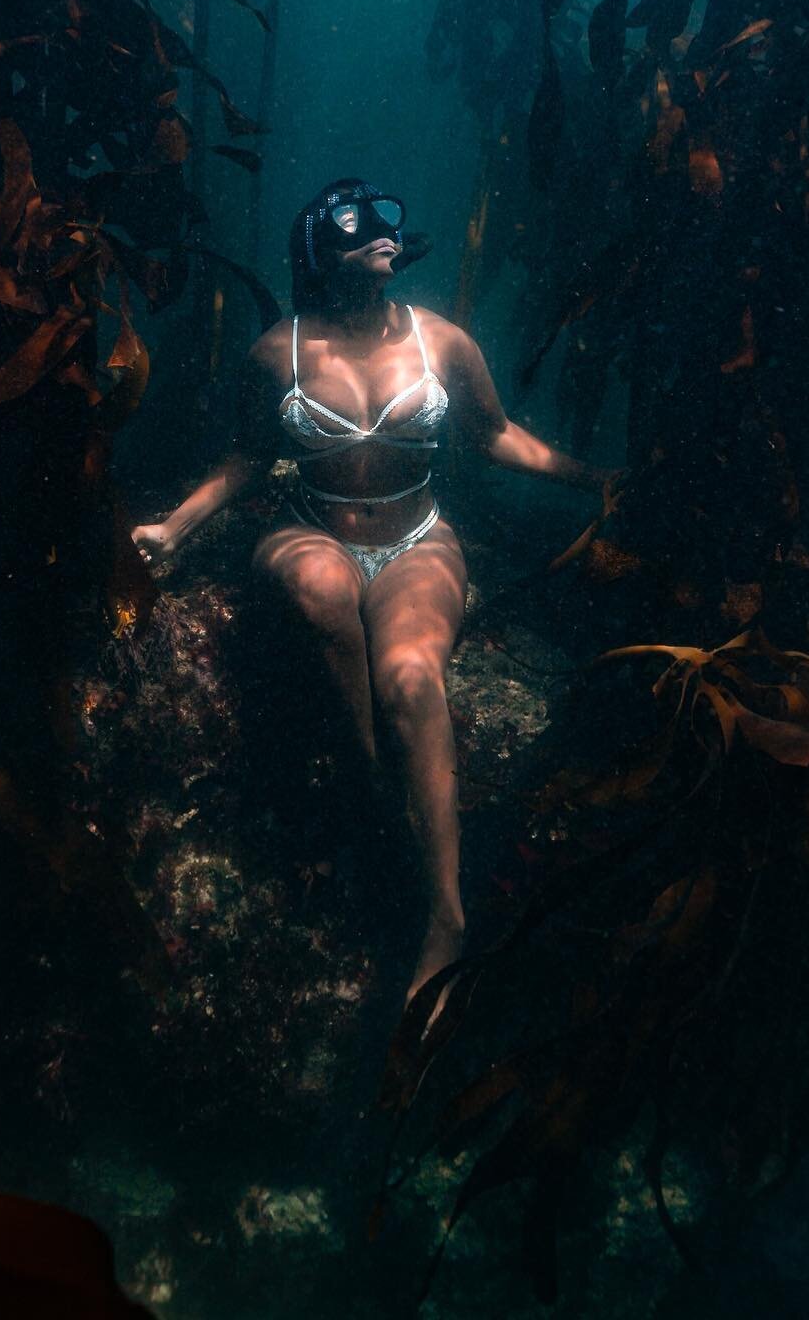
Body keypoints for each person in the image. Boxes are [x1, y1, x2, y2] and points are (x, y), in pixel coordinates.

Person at [131, 178, 617, 1008]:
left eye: (392, 216)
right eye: (358, 223)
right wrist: (173, 529)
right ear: (321, 246)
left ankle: (446, 917)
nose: (385, 232)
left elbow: (494, 435)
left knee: (412, 680)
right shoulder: (276, 351)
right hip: (308, 524)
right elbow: (247, 462)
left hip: (415, 539)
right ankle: (372, 797)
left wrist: (593, 480)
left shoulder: (442, 342)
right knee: (321, 588)